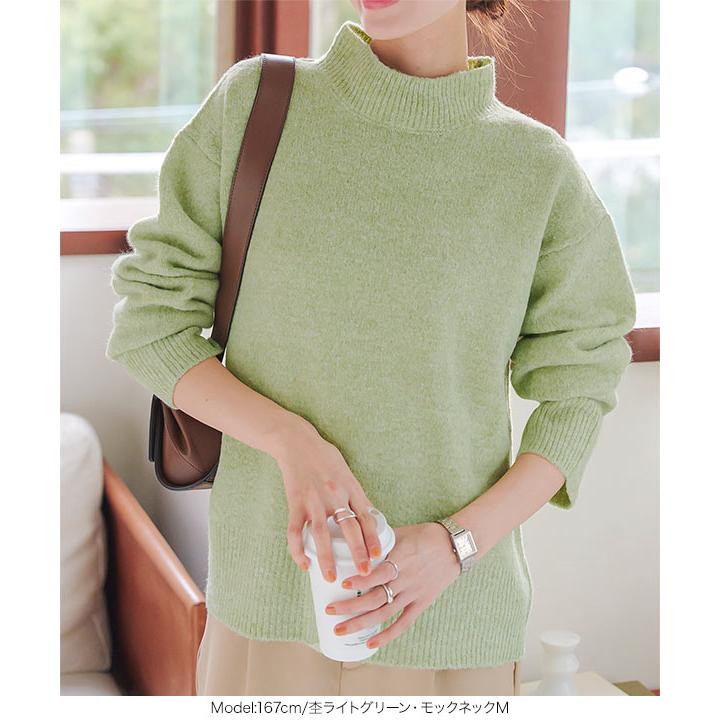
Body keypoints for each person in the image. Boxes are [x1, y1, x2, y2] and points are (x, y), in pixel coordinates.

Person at [106, 0, 636, 697]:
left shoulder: (537, 170)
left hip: (454, 627)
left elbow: (579, 390)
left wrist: (456, 545)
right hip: (268, 614)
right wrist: (295, 443)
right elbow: (151, 323)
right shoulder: (256, 108)